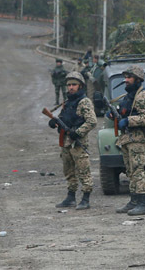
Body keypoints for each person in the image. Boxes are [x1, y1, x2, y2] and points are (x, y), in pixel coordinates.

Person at [48, 71, 97, 210]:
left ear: (80, 86)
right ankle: (70, 197)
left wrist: (78, 132)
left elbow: (92, 122)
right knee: (68, 171)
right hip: (66, 142)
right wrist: (54, 122)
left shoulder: (84, 102)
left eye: (74, 85)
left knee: (83, 171)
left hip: (78, 143)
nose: (71, 87)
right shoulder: (68, 101)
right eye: (69, 85)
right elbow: (63, 118)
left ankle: (86, 198)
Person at [110, 65, 145, 215]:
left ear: (137, 79)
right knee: (130, 171)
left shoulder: (142, 95)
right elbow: (125, 112)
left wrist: (128, 121)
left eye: (129, 77)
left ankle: (143, 204)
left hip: (137, 138)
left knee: (137, 170)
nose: (125, 80)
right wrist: (115, 116)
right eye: (125, 77)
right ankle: (134, 200)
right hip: (127, 138)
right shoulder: (129, 96)